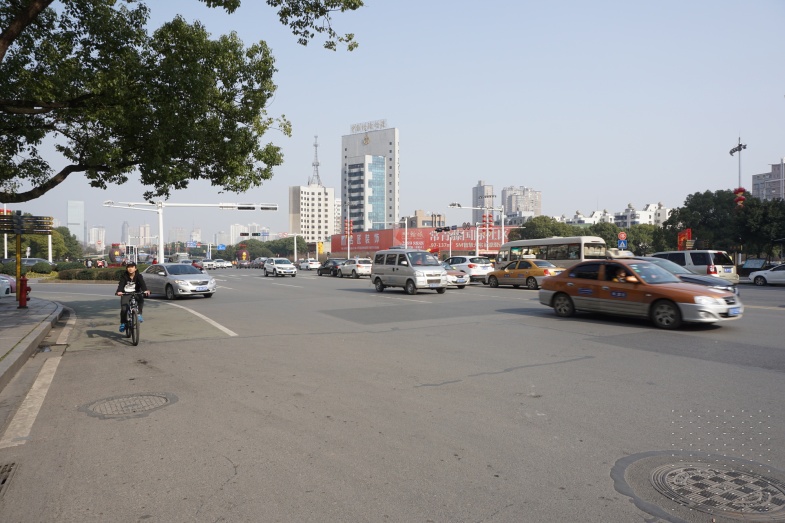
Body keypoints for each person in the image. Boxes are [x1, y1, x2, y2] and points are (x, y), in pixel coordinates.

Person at [115, 261, 150, 332]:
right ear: (126, 268)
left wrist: (145, 290)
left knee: (141, 300)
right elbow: (121, 284)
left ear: (135, 268)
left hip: (136, 292)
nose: (130, 268)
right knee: (124, 309)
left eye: (132, 267)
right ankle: (123, 323)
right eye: (128, 267)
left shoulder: (139, 276)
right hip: (126, 293)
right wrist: (119, 291)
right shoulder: (124, 276)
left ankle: (139, 314)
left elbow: (142, 284)